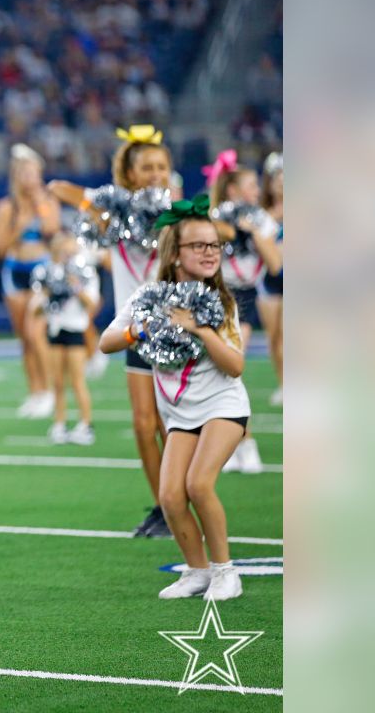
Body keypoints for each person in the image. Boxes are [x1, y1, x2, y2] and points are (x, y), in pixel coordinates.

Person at [99, 195, 250, 601]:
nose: (209, 252)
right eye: (198, 245)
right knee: (169, 496)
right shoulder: (150, 296)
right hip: (181, 413)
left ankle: (225, 572)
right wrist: (140, 331)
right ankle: (197, 571)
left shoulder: (221, 301)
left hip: (224, 407)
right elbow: (106, 342)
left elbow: (235, 366)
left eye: (214, 245)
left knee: (198, 485)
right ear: (175, 252)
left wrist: (201, 330)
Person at [49, 125, 174, 537]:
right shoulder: (114, 216)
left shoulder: (179, 213)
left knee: (173, 423)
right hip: (133, 329)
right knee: (143, 424)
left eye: (161, 166)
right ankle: (162, 506)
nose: (155, 174)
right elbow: (62, 189)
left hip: (176, 329)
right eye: (147, 167)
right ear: (131, 174)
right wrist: (94, 200)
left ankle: (179, 501)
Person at [204, 150, 282, 474]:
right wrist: (223, 227)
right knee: (216, 374)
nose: (255, 190)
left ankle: (246, 443)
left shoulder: (261, 218)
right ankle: (231, 445)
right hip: (218, 295)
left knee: (233, 370)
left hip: (245, 298)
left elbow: (276, 264)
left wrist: (250, 231)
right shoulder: (215, 216)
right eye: (250, 185)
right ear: (233, 190)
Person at [0, 144, 60, 419]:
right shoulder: (6, 207)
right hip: (14, 270)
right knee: (24, 338)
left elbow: (51, 232)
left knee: (37, 334)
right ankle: (34, 391)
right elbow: (0, 247)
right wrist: (20, 221)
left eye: (34, 173)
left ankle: (50, 392)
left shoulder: (48, 202)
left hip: (41, 270)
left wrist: (39, 206)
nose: (29, 179)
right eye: (24, 173)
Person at [35, 234, 99, 446]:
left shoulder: (84, 273)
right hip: (55, 329)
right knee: (58, 382)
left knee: (77, 380)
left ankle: (86, 424)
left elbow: (91, 303)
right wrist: (47, 296)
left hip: (74, 329)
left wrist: (76, 286)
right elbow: (37, 307)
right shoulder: (49, 273)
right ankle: (59, 424)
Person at [257, 152, 283, 406]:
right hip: (269, 279)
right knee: (273, 335)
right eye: (276, 178)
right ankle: (283, 382)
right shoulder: (263, 212)